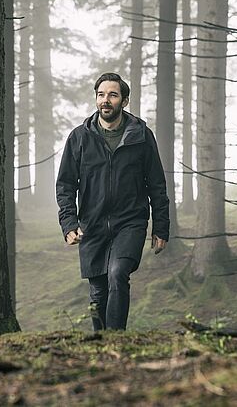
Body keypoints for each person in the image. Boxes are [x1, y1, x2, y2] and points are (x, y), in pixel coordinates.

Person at [56, 72, 170, 331]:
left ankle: (116, 339)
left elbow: (157, 184)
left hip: (130, 221)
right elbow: (65, 184)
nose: (105, 100)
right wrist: (69, 223)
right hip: (92, 223)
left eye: (112, 95)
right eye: (101, 95)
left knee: (118, 273)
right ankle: (101, 343)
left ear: (124, 101)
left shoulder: (141, 135)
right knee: (98, 290)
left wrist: (161, 227)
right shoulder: (79, 137)